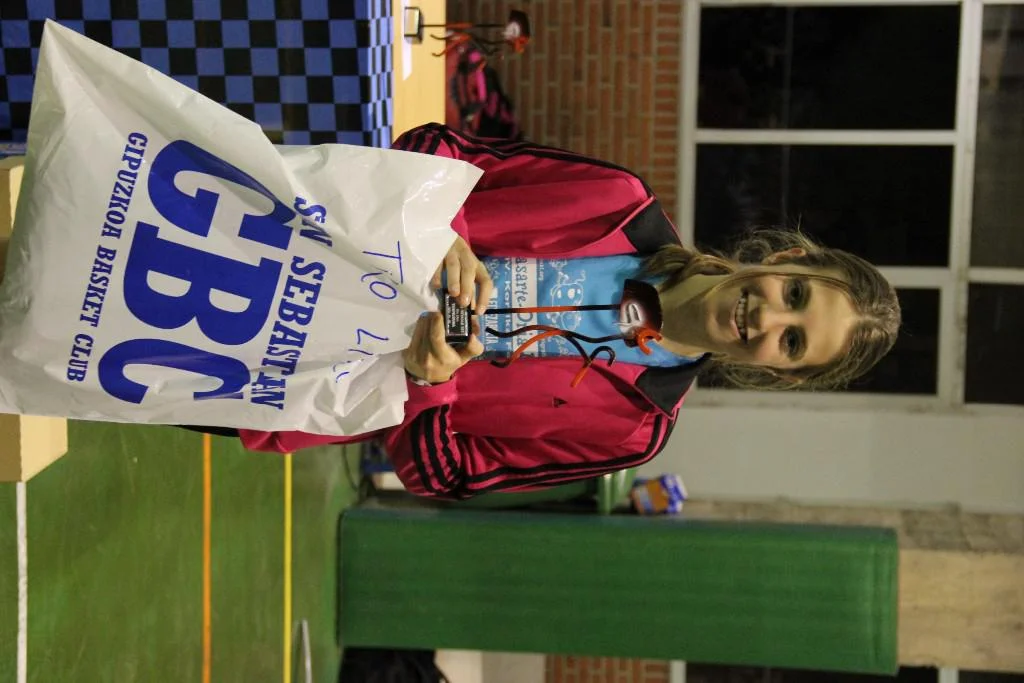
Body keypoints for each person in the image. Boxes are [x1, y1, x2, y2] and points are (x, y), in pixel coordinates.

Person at [199, 123, 901, 500]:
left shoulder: (633, 431)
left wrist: (428, 380)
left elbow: (447, 476)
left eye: (792, 342)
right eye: (795, 296)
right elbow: (436, 147)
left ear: (779, 372)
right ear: (786, 261)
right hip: (268, 229)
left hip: (265, 378)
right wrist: (443, 233)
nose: (769, 319)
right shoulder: (616, 199)